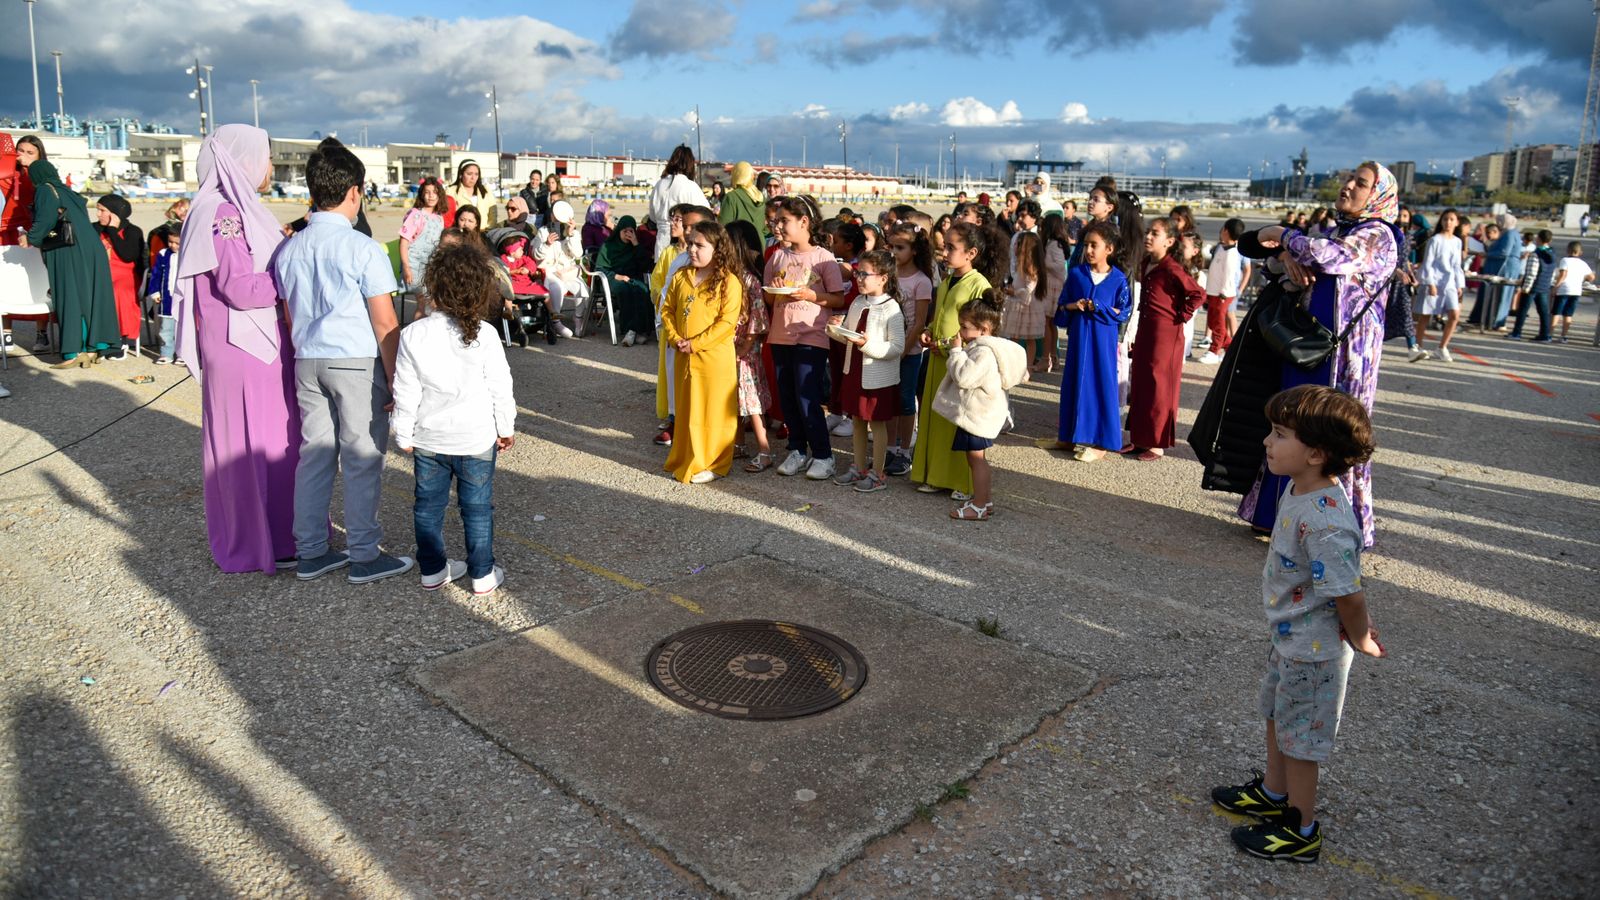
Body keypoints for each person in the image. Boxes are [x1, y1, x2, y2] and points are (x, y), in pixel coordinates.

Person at [1213, 384, 1385, 864]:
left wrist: (1363, 636)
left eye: (1280, 433)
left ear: (1315, 453)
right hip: (1291, 637)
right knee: (1277, 716)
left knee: (1302, 739)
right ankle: (1273, 792)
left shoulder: (1327, 522)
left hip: (1316, 650)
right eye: (1271, 430)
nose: (1268, 441)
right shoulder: (1299, 487)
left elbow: (1348, 592)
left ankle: (1301, 828)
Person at [1237, 162, 1400, 548]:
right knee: (1295, 426)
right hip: (1312, 348)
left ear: (1378, 195)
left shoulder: (1379, 235)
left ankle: (1333, 526)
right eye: (1348, 180)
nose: (1347, 187)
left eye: (1360, 184)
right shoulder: (1339, 230)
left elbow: (1328, 256)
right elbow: (1272, 255)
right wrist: (1287, 258)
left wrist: (1281, 233)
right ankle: (1276, 516)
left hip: (1347, 358)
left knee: (1331, 434)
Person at [272, 137, 412, 584]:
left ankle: (311, 550)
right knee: (360, 456)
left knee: (314, 456)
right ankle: (365, 553)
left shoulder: (289, 248)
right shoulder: (362, 249)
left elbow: (290, 313)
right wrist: (396, 381)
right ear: (354, 191)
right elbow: (385, 321)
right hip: (352, 361)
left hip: (307, 358)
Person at [171, 123, 301, 574]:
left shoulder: (223, 207)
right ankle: (265, 542)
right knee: (258, 447)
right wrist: (293, 277)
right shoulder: (225, 213)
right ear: (243, 159)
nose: (269, 167)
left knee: (258, 446)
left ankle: (274, 538)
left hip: (245, 347)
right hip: (247, 349)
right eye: (265, 157)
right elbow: (241, 288)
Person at [392, 242, 516, 596]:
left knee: (428, 507)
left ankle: (432, 570)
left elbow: (405, 388)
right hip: (476, 439)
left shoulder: (413, 334)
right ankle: (481, 573)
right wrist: (505, 428)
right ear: (480, 290)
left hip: (429, 440)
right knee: (477, 509)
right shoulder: (486, 335)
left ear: (434, 286)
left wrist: (403, 433)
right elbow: (500, 387)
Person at [911, 221, 1005, 498]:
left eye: (952, 247)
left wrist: (953, 345)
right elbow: (939, 315)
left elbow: (985, 327)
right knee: (937, 415)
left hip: (963, 362)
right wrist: (929, 333)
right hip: (940, 359)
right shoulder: (946, 280)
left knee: (959, 418)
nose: (945, 251)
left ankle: (963, 481)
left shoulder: (979, 284)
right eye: (945, 245)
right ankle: (935, 475)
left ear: (971, 253)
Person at [764, 195, 849, 479]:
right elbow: (766, 294)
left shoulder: (823, 258)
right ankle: (797, 449)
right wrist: (774, 286)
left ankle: (824, 455)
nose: (779, 226)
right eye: (776, 221)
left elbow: (838, 298)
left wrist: (812, 295)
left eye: (784, 221)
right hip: (780, 335)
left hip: (811, 335)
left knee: (807, 395)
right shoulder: (777, 256)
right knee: (787, 395)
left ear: (804, 222)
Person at [18, 143, 121, 368]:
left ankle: (73, 351)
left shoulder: (44, 189)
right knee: (90, 298)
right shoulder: (68, 192)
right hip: (90, 248)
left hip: (67, 249)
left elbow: (45, 219)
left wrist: (31, 237)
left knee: (69, 296)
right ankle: (93, 347)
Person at [931, 292, 1027, 521]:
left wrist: (955, 351)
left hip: (977, 415)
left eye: (965, 327)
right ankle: (984, 499)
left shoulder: (983, 352)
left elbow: (964, 377)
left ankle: (980, 505)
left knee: (977, 459)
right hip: (980, 413)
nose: (961, 333)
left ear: (983, 329)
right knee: (975, 458)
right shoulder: (985, 348)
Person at [661, 220, 743, 484]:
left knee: (713, 411)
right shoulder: (681, 276)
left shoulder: (729, 282)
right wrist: (675, 338)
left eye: (700, 245)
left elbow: (726, 322)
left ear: (717, 249)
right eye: (691, 244)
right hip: (685, 356)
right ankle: (686, 456)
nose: (692, 250)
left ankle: (715, 462)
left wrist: (696, 343)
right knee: (687, 409)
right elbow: (667, 310)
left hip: (713, 359)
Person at [1125, 217, 1204, 460]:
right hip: (1146, 329)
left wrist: (1181, 315)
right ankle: (1139, 439)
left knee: (1160, 386)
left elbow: (1197, 294)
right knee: (1140, 381)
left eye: (1155, 233)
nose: (1148, 236)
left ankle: (1156, 443)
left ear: (1169, 241)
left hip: (1166, 333)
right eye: (1148, 232)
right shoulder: (1146, 262)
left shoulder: (1172, 268)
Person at [1052, 222, 1132, 462]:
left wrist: (1099, 307)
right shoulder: (1076, 274)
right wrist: (1073, 306)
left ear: (1109, 248)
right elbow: (1061, 307)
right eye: (1086, 245)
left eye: (1093, 245)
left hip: (1103, 342)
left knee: (1102, 386)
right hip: (1078, 339)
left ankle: (1102, 442)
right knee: (1073, 383)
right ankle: (1067, 436)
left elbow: (1124, 312)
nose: (1088, 250)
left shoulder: (1118, 279)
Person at [828, 249, 905, 493]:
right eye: (858, 273)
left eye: (865, 274)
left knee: (877, 423)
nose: (859, 278)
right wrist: (834, 330)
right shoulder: (858, 302)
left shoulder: (891, 308)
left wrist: (867, 345)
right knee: (858, 420)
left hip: (878, 376)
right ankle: (859, 467)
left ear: (883, 277)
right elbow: (850, 337)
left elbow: (897, 347)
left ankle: (878, 473)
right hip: (855, 372)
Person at [886, 222, 934, 476]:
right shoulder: (889, 275)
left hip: (909, 351)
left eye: (900, 247)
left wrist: (903, 349)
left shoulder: (921, 281)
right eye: (892, 246)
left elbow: (919, 322)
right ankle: (890, 447)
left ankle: (905, 449)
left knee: (906, 400)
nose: (894, 252)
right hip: (886, 349)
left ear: (914, 250)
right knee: (890, 400)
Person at [94, 193, 146, 360]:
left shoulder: (133, 231)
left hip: (126, 274)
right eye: (98, 210)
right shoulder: (94, 228)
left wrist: (112, 230)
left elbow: (128, 255)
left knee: (117, 291)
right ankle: (95, 339)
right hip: (101, 272)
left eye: (102, 210)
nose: (98, 214)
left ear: (115, 214)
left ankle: (119, 339)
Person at [594, 215, 656, 346]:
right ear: (619, 230)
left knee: (642, 290)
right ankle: (630, 330)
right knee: (625, 290)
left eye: (631, 231)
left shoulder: (635, 246)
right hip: (612, 278)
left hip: (632, 278)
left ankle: (639, 330)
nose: (628, 234)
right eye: (625, 231)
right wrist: (616, 276)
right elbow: (600, 268)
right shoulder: (608, 246)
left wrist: (636, 244)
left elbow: (646, 266)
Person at [1414, 209, 1465, 362]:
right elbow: (1428, 262)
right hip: (1435, 281)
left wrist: (1459, 284)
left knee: (1454, 315)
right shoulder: (1435, 240)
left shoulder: (1457, 241)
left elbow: (1457, 265)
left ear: (1457, 222)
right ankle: (1418, 346)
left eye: (1451, 219)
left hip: (1449, 283)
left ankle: (1442, 347)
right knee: (1425, 315)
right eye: (1445, 219)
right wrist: (1430, 283)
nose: (1448, 223)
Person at [1198, 218, 1250, 365]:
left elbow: (1229, 275)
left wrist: (1223, 294)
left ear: (1225, 231)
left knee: (1219, 323)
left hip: (1223, 294)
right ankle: (1229, 348)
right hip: (1214, 292)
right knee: (1213, 321)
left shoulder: (1232, 253)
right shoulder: (1221, 248)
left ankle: (1214, 351)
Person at [1, 133, 36, 350]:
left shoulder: (40, 176)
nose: (22, 156)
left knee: (37, 281)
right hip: (6, 232)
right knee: (7, 283)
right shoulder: (6, 175)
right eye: (19, 151)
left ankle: (42, 332)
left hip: (34, 233)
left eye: (29, 152)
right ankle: (6, 333)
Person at [648, 145, 710, 261]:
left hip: (661, 243)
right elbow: (706, 215)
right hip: (682, 244)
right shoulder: (690, 186)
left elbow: (652, 217)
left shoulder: (659, 185)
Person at [535, 200, 584, 339]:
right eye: (554, 215)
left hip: (567, 272)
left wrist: (571, 234)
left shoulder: (573, 232)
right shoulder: (543, 231)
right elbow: (536, 255)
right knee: (556, 287)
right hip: (549, 271)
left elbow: (578, 254)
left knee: (581, 288)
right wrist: (546, 244)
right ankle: (556, 321)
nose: (556, 219)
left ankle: (578, 318)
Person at [1000, 231, 1045, 369]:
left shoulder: (1030, 268)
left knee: (1028, 339)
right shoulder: (1021, 265)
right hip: (1019, 305)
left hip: (1026, 307)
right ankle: (1013, 367)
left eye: (1017, 244)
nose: (1014, 247)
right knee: (1014, 339)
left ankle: (1027, 367)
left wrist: (1014, 291)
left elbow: (1029, 291)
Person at [399, 176, 447, 295]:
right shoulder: (415, 215)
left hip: (431, 266)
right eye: (427, 192)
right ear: (421, 194)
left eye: (435, 192)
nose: (431, 196)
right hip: (414, 266)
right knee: (422, 302)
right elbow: (404, 242)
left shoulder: (439, 217)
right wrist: (406, 267)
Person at [1507, 230, 1555, 342]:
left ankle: (1517, 332)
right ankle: (1545, 334)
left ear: (1538, 239)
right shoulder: (1552, 254)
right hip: (1544, 286)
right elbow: (1552, 272)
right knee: (1543, 312)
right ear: (1550, 240)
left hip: (1533, 286)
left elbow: (1531, 272)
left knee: (1523, 310)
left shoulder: (1536, 254)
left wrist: (1526, 288)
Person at [142, 228, 181, 364]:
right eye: (170, 242)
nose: (173, 246)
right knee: (166, 328)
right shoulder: (163, 254)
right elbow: (156, 275)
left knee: (183, 328)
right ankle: (166, 353)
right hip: (167, 298)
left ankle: (182, 354)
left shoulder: (189, 254)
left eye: (177, 243)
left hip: (184, 298)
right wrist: (155, 291)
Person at [1550, 241, 1595, 343]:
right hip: (1576, 290)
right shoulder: (1583, 263)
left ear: (1568, 250)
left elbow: (1563, 275)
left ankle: (1550, 334)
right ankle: (1564, 336)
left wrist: (1555, 287)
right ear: (1580, 252)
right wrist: (1583, 278)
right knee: (1568, 314)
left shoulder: (1564, 260)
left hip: (1564, 289)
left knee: (1556, 312)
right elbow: (1592, 277)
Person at [718, 161, 768, 240]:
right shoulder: (760, 196)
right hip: (760, 244)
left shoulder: (731, 197)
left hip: (739, 245)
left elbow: (722, 227)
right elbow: (767, 227)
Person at [444, 159, 496, 227]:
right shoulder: (450, 191)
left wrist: (489, 230)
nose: (473, 177)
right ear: (461, 174)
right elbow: (447, 216)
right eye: (469, 174)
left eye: (476, 174)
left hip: (483, 232)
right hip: (460, 233)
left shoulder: (486, 191)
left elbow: (493, 215)